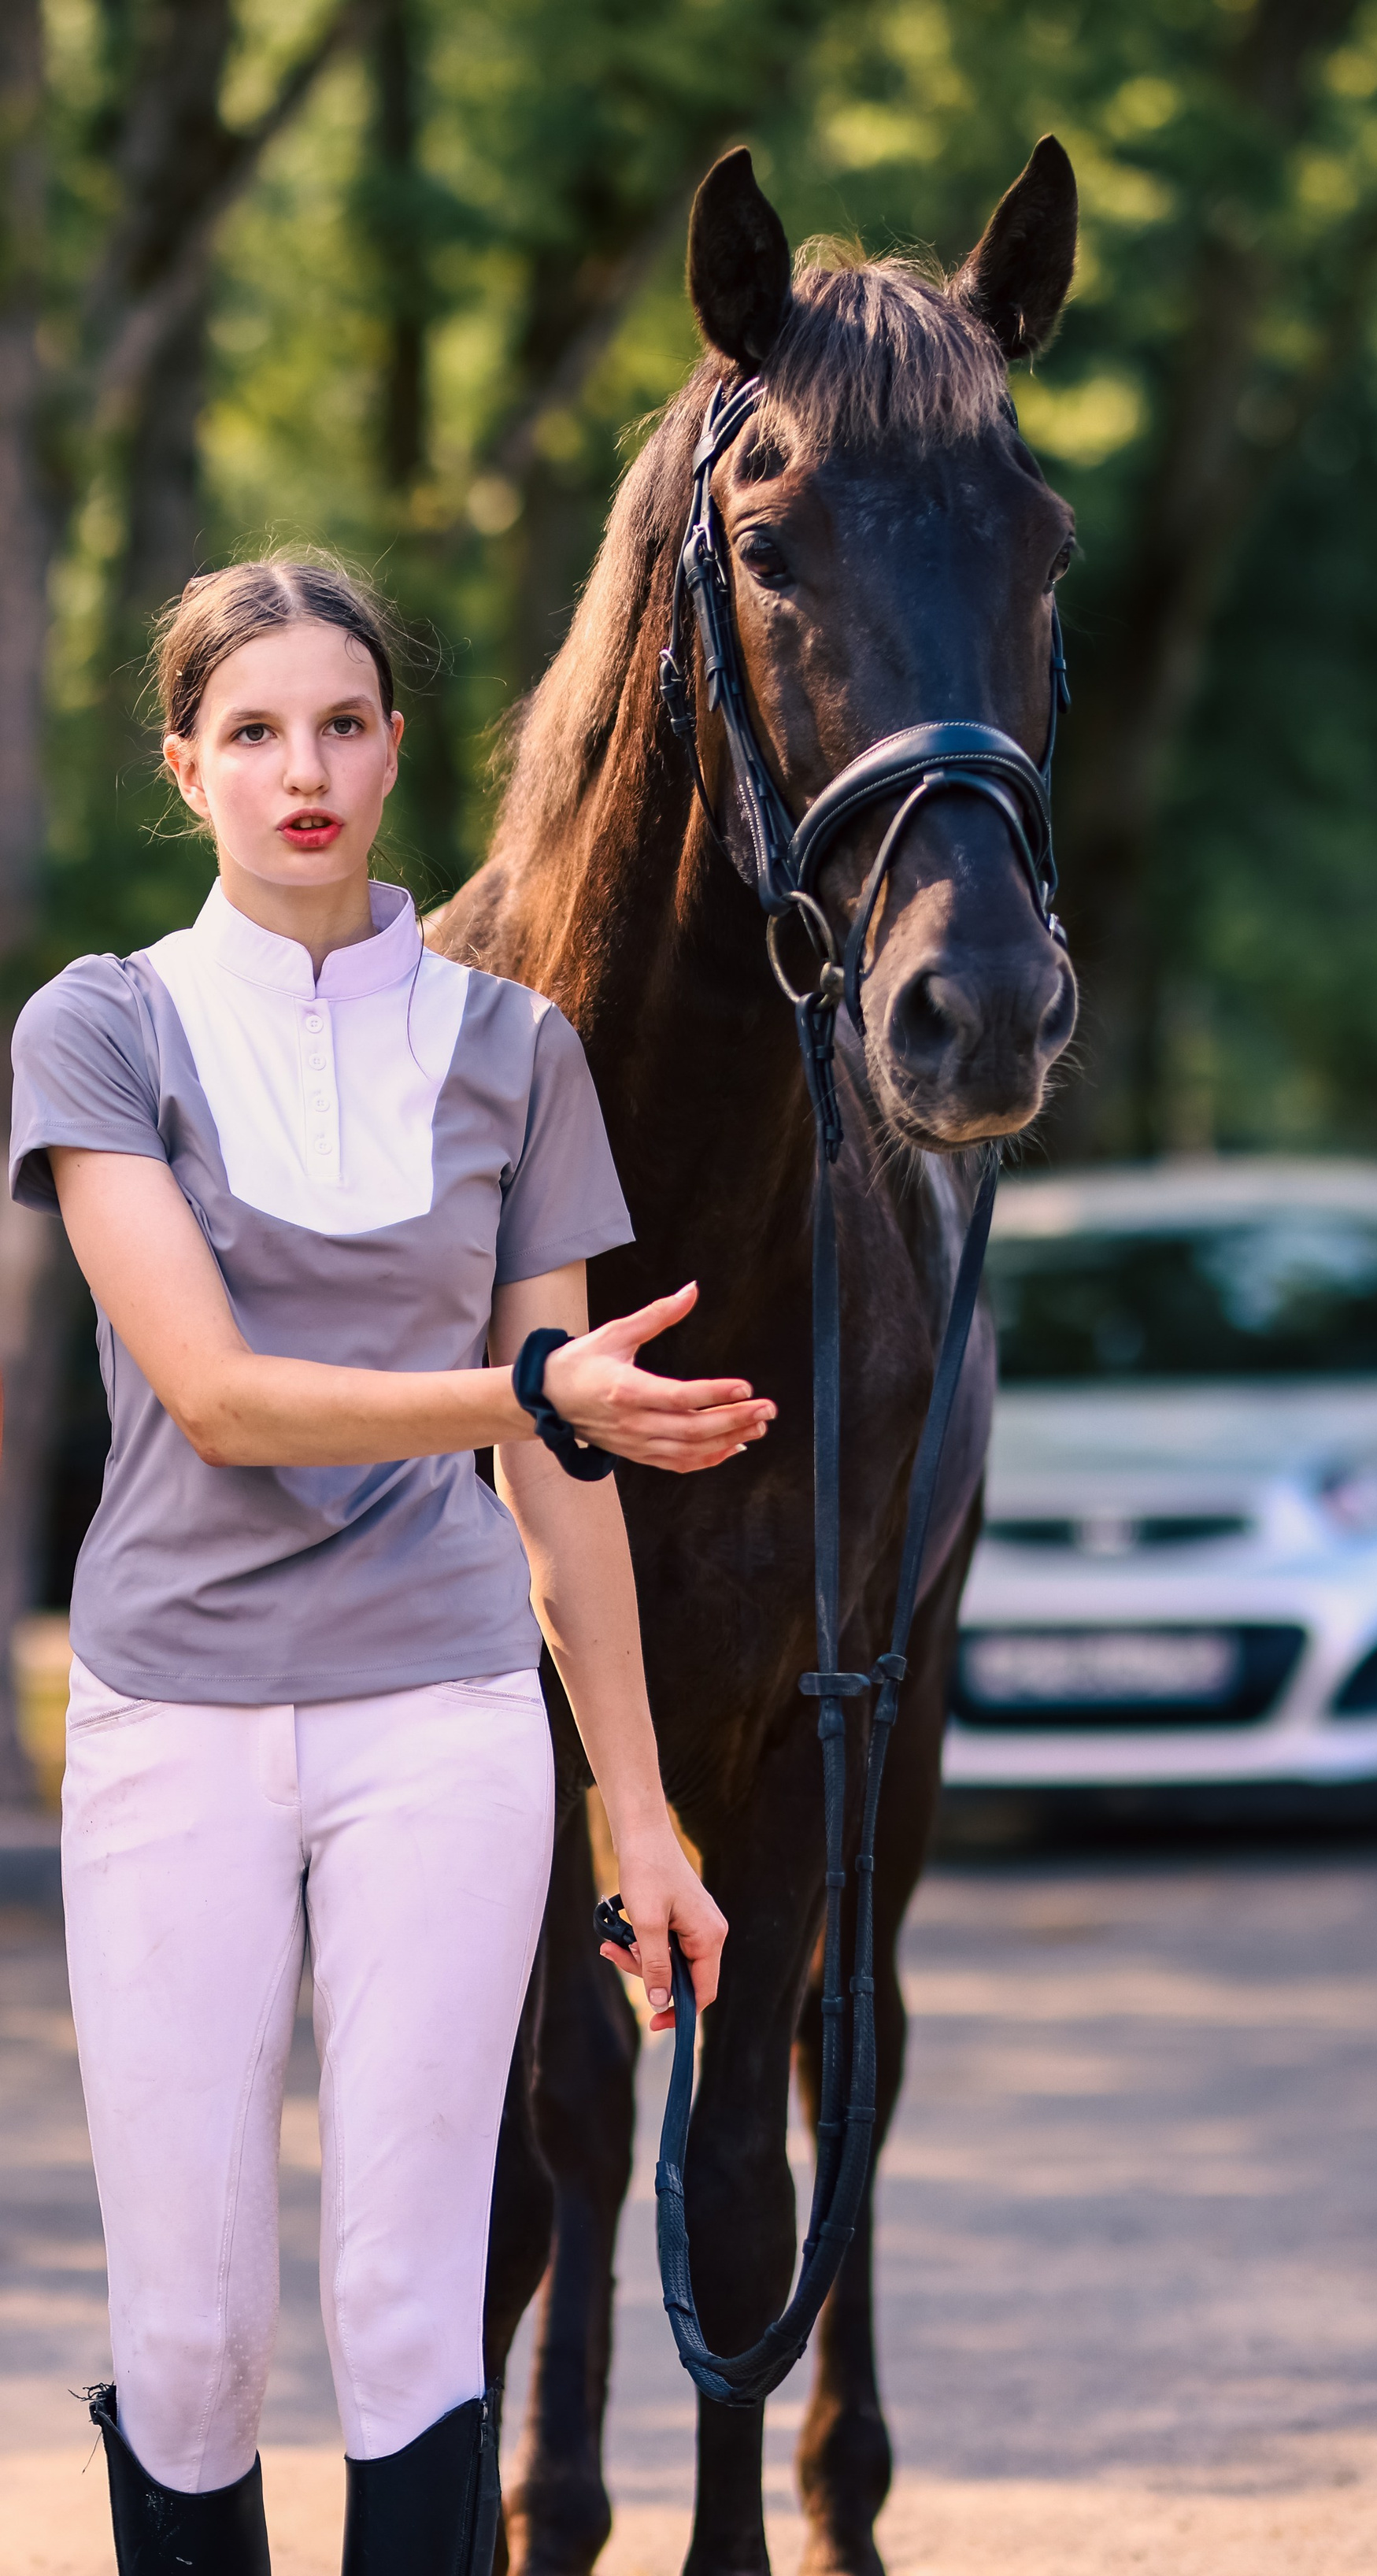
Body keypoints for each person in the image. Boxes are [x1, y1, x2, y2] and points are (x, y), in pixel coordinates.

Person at [9, 557, 768, 2574]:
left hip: (441, 1720)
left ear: (395, 748)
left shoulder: (516, 1050)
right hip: (174, 1723)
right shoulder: (101, 1032)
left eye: (342, 723)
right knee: (185, 2334)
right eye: (252, 733)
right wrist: (536, 1388)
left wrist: (641, 1810)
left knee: (413, 2305)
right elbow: (226, 1395)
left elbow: (565, 1480)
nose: (304, 770)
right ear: (189, 767)